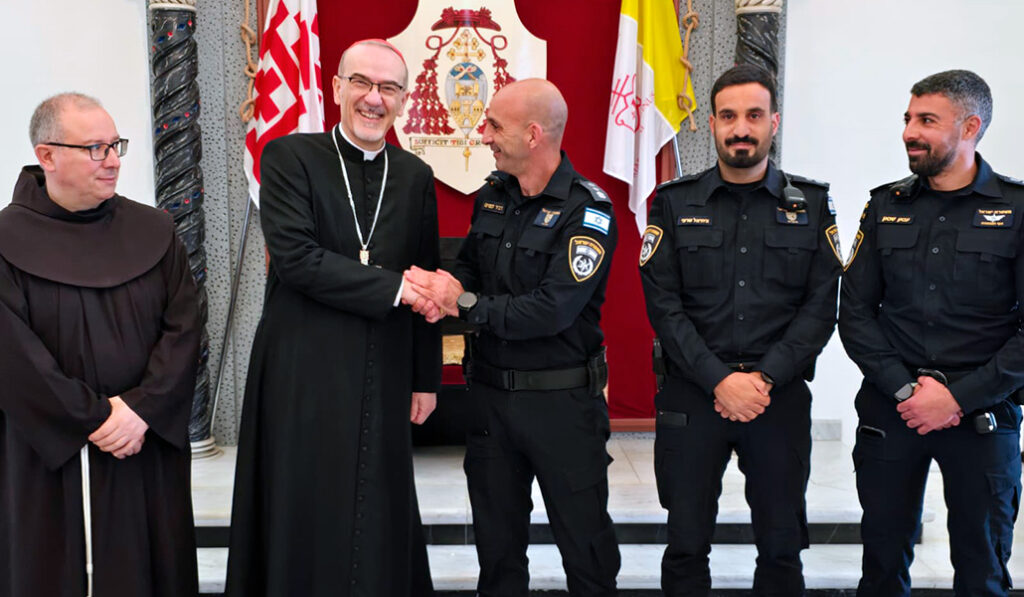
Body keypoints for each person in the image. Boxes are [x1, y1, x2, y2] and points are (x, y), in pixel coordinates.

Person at [225, 39, 442, 597]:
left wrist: (425, 378)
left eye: (389, 88)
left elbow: (427, 269)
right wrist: (395, 287)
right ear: (337, 88)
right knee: (306, 495)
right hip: (304, 364)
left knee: (378, 494)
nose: (374, 99)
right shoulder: (289, 157)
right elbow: (297, 260)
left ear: (404, 99)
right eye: (362, 83)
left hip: (384, 363)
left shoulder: (415, 174)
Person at [404, 78, 621, 596]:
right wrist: (442, 292)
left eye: (495, 126)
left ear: (534, 133)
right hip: (492, 406)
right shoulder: (494, 198)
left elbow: (552, 310)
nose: (484, 136)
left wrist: (465, 303)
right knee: (497, 556)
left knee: (587, 554)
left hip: (562, 407)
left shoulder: (587, 211)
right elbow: (472, 275)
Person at [638, 64, 843, 596]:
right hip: (692, 396)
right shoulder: (674, 204)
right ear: (711, 124)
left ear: (774, 121)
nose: (741, 128)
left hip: (778, 400)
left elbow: (820, 309)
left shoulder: (812, 206)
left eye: (754, 115)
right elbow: (664, 307)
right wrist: (718, 381)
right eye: (728, 116)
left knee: (781, 544)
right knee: (685, 543)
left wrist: (764, 379)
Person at [0, 93, 201, 596]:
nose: (112, 160)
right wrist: (92, 418)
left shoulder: (154, 229)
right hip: (50, 456)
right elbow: (15, 358)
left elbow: (184, 327)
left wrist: (141, 410)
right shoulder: (5, 240)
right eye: (95, 148)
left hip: (143, 443)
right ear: (47, 156)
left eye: (115, 145)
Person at [839, 69, 1024, 596]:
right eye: (907, 119)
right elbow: (854, 310)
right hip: (893, 409)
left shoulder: (1016, 210)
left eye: (926, 121)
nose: (909, 132)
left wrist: (957, 399)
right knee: (881, 561)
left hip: (983, 414)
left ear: (970, 127)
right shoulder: (885, 206)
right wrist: (906, 390)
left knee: (983, 566)